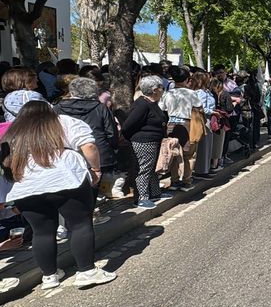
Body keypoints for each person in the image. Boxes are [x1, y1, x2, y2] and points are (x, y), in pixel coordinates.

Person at [2, 100, 116, 289]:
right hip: (65, 179)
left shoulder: (13, 133)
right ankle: (86, 271)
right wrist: (95, 169)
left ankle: (49, 277)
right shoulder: (63, 122)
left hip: (26, 187)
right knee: (80, 224)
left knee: (41, 231)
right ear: (50, 110)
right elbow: (89, 147)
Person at [54, 77, 119, 222]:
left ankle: (70, 220)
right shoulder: (100, 107)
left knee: (69, 187)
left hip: (66, 152)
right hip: (96, 151)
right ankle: (88, 218)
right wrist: (113, 148)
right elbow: (111, 132)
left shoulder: (58, 107)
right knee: (92, 188)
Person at [122, 76, 168, 209]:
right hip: (143, 142)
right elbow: (127, 126)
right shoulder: (142, 105)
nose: (162, 90)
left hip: (153, 141)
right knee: (144, 169)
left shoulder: (151, 103)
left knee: (152, 169)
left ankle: (154, 193)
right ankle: (141, 197)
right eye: (161, 88)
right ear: (154, 90)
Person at [159, 67, 204, 189]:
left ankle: (174, 181)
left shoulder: (167, 94)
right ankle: (186, 181)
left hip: (171, 125)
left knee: (174, 153)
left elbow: (161, 108)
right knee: (189, 155)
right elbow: (199, 106)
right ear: (187, 79)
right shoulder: (191, 93)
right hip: (187, 124)